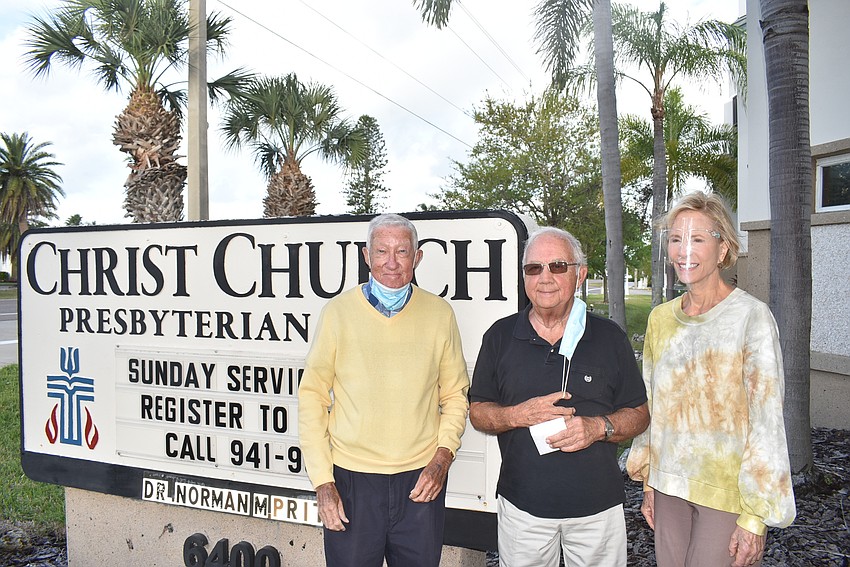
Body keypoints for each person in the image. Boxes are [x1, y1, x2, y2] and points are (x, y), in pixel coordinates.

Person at [626, 191, 796, 567]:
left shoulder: (751, 317)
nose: (684, 250)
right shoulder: (660, 320)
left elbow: (767, 423)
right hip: (668, 487)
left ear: (723, 249)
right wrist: (649, 480)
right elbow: (653, 406)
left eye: (698, 239)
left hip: (726, 495)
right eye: (676, 238)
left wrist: (755, 517)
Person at [469, 226, 650, 567]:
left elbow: (639, 414)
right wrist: (517, 415)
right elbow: (478, 412)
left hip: (597, 512)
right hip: (523, 511)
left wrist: (598, 427)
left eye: (557, 266)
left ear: (580, 274)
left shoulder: (609, 338)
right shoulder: (500, 336)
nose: (545, 277)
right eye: (533, 268)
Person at [297, 213, 470, 567]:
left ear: (417, 257)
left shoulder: (440, 314)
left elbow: (455, 395)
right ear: (366, 256)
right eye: (381, 251)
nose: (392, 262)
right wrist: (323, 482)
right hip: (351, 482)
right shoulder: (337, 313)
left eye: (402, 251)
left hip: (421, 482)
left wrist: (442, 460)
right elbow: (312, 396)